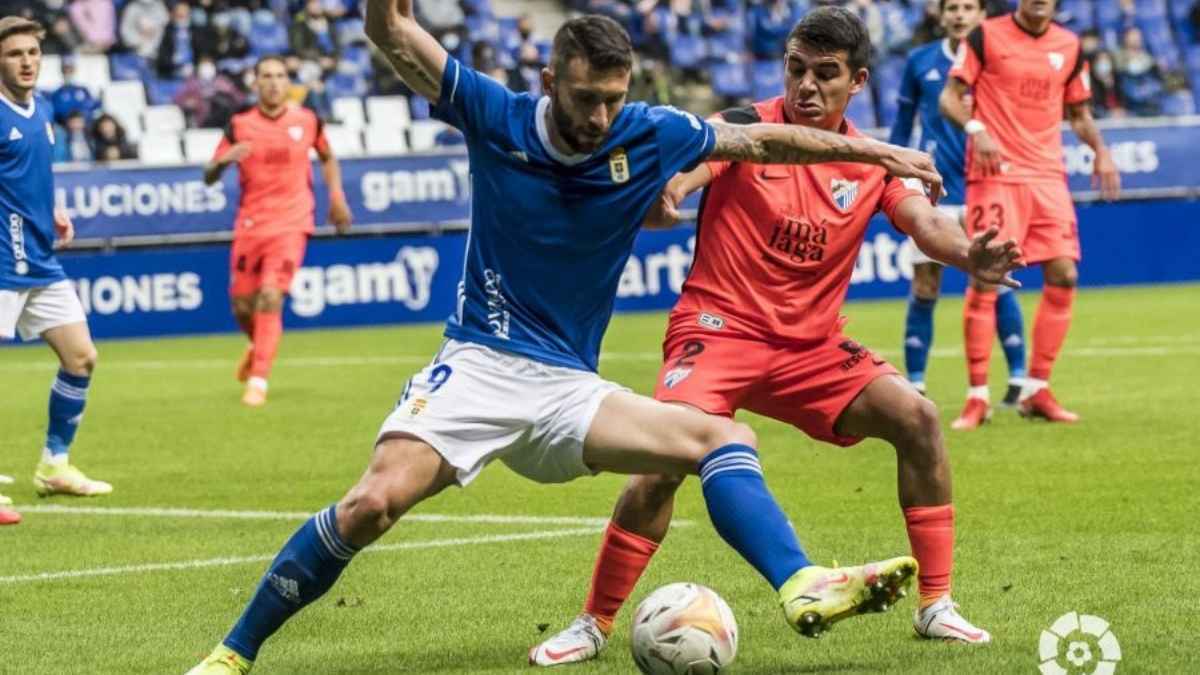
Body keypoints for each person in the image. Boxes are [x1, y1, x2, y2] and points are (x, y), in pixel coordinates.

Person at [186, 3, 952, 671]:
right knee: (369, 504)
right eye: (586, 99)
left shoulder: (648, 130)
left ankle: (800, 582)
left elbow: (762, 143)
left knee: (723, 439)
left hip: (568, 389)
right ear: (552, 82)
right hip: (478, 366)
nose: (600, 118)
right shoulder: (495, 114)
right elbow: (392, 29)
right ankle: (233, 652)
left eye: (614, 100)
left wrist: (880, 153)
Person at [530, 7, 1023, 666]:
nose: (806, 86)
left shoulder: (874, 160)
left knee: (918, 418)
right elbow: (687, 174)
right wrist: (668, 194)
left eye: (826, 73)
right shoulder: (743, 127)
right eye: (796, 68)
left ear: (858, 82)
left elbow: (926, 224)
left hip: (811, 349)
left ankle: (936, 605)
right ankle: (593, 622)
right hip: (718, 331)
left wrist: (970, 255)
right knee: (661, 464)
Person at [941, 0, 1121, 428]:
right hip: (996, 175)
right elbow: (950, 97)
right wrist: (977, 129)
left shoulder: (1070, 45)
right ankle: (977, 397)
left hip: (1047, 176)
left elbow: (1078, 113)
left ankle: (1037, 389)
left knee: (1065, 274)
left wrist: (1100, 150)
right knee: (986, 279)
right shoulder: (986, 35)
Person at [0, 17, 114, 528]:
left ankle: (54, 465)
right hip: (3, 260)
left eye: (32, 52)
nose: (26, 62)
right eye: (14, 54)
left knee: (81, 357)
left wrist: (53, 212)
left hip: (40, 258)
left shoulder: (42, 109)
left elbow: (32, 177)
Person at [889, 0, 1027, 407]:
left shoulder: (999, 59)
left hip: (988, 185)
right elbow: (903, 124)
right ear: (941, 14)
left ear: (983, 15)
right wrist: (892, 169)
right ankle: (916, 384)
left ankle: (1019, 380)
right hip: (935, 187)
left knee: (994, 278)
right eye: (953, 7)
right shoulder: (920, 61)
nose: (960, 15)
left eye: (969, 7)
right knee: (925, 282)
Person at [203, 56, 351, 408]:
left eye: (280, 76)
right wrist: (222, 162)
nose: (273, 82)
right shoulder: (239, 124)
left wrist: (336, 196)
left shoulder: (308, 120)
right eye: (266, 76)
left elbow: (327, 157)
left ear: (288, 82)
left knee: (271, 296)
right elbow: (208, 176)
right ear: (255, 83)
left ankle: (258, 381)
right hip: (251, 224)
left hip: (292, 223)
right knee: (242, 307)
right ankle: (258, 346)